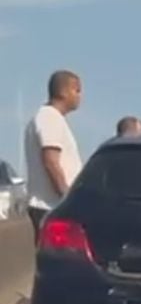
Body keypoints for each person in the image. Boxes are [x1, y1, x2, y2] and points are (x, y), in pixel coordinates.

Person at [22, 70, 84, 241]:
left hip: (50, 206)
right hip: (51, 207)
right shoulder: (49, 118)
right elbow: (50, 161)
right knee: (60, 262)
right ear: (63, 92)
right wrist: (67, 199)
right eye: (76, 90)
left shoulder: (49, 118)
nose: (80, 96)